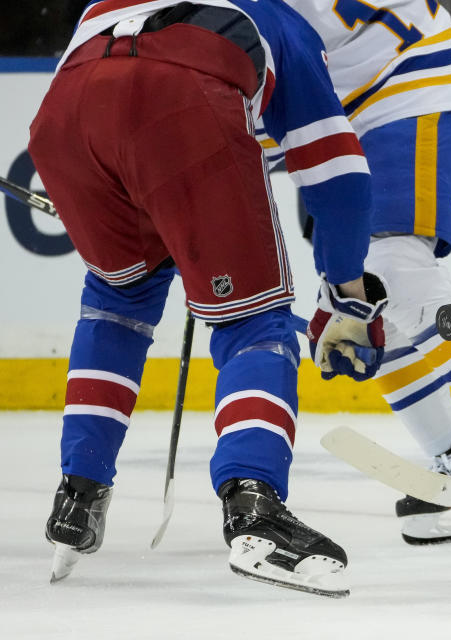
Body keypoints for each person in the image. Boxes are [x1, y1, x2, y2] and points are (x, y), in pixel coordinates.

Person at [28, 0, 388, 597]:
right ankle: (254, 505)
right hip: (180, 106)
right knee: (256, 322)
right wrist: (347, 290)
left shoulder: (106, 2)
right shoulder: (280, 20)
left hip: (64, 120)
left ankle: (78, 493)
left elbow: (103, 93)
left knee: (117, 299)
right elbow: (336, 170)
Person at [268, 0, 451, 545]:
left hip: (405, 85)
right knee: (355, 299)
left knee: (391, 268)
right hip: (340, 114)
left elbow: (284, 60)